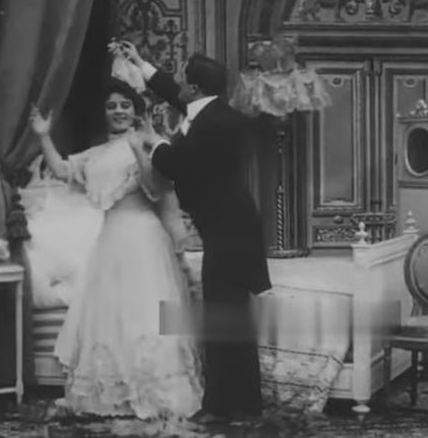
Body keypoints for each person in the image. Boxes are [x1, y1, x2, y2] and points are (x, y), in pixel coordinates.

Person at [116, 42, 272, 425]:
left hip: (230, 231)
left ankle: (226, 406)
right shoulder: (210, 110)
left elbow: (174, 166)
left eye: (183, 78)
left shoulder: (214, 123)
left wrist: (151, 142)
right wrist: (141, 64)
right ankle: (239, 404)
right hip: (227, 226)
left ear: (196, 88)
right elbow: (174, 92)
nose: (179, 83)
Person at [29, 78, 203, 420]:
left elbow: (156, 189)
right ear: (103, 113)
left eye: (125, 105)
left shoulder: (150, 143)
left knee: (147, 315)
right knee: (111, 316)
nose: (119, 111)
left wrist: (139, 148)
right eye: (111, 106)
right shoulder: (96, 154)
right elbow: (63, 170)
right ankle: (116, 394)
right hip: (111, 240)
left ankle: (157, 393)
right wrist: (43, 135)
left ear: (135, 110)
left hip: (145, 240)